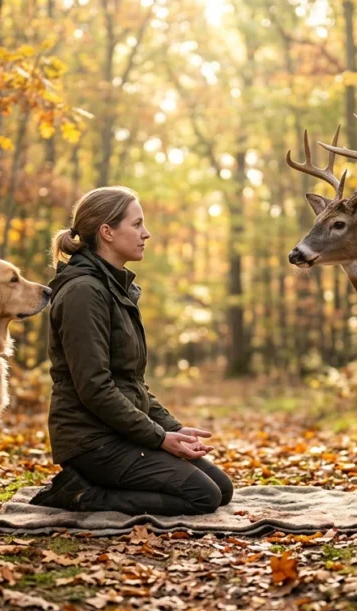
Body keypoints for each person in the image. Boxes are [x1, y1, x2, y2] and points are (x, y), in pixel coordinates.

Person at [29, 186, 233, 515]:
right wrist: (158, 438)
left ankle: (101, 484)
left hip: (120, 433)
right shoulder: (84, 292)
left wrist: (173, 428)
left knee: (221, 489)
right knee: (201, 496)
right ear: (106, 232)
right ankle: (80, 493)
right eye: (136, 224)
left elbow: (130, 383)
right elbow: (95, 388)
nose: (146, 234)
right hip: (92, 441)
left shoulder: (113, 287)